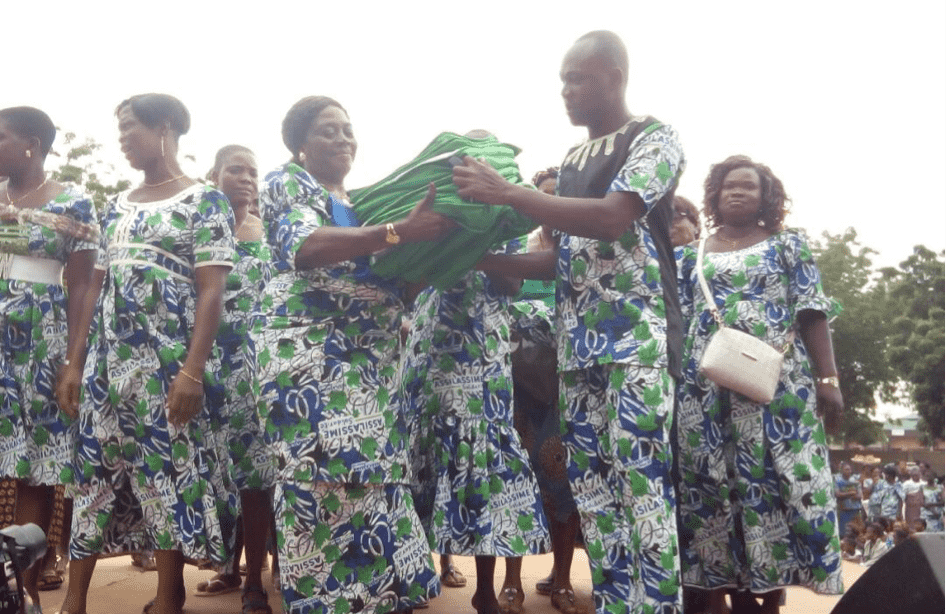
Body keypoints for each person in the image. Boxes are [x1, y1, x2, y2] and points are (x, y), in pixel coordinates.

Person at [453, 30, 686, 613]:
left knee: (642, 486)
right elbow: (562, 259)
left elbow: (613, 219)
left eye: (578, 78)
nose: (566, 91)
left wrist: (509, 194)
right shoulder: (575, 157)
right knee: (597, 494)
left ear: (615, 76)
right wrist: (475, 257)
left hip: (637, 341)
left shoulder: (653, 138)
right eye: (562, 80)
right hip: (577, 350)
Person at [255, 95, 454, 614]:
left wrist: (434, 254)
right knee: (319, 479)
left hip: (370, 363)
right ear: (299, 145)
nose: (344, 138)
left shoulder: (360, 201)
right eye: (328, 131)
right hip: (311, 358)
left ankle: (379, 598)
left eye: (348, 129)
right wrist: (397, 234)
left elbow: (391, 284)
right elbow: (304, 247)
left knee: (371, 476)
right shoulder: (287, 182)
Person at [56, 93, 238, 615]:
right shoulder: (116, 206)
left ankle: (167, 596)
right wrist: (75, 363)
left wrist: (192, 371)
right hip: (107, 371)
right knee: (91, 475)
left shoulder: (205, 202)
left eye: (129, 127)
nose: (121, 139)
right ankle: (73, 600)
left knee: (165, 475)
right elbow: (93, 288)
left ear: (163, 128)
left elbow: (211, 291)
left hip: (165, 370)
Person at [675, 155, 845, 613]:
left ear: (766, 197)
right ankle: (716, 590)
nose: (737, 192)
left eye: (748, 187)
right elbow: (678, 319)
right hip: (704, 392)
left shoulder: (788, 246)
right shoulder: (691, 253)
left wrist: (828, 376)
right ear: (714, 195)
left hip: (775, 388)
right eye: (729, 186)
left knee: (772, 483)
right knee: (711, 486)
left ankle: (765, 595)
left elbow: (811, 310)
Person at [0, 106, 99, 612]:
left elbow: (82, 286)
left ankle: (25, 588)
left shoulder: (75, 203)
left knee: (36, 465)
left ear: (31, 145)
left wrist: (73, 362)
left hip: (41, 341)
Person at [191, 144, 276, 614]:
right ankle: (226, 566)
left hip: (256, 369)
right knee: (215, 472)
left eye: (252, 171)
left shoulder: (269, 234)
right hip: (206, 365)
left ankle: (255, 582)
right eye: (235, 170)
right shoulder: (200, 229)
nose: (246, 178)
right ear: (213, 175)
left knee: (254, 476)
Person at [498, 168, 586, 615]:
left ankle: (564, 579)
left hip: (564, 389)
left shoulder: (584, 252)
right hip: (517, 387)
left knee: (562, 482)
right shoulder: (520, 249)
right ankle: (511, 582)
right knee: (515, 481)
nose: (551, 204)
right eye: (544, 196)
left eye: (559, 196)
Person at [836, 462, 863, 536]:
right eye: (846, 469)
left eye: (850, 469)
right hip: (844, 511)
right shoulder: (838, 481)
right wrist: (851, 493)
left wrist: (844, 495)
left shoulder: (855, 481)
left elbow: (860, 496)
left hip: (855, 510)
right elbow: (837, 495)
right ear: (842, 471)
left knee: (857, 532)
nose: (849, 471)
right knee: (844, 533)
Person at [920, 468, 944, 532]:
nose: (928, 477)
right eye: (926, 476)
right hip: (927, 516)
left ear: (934, 477)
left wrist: (931, 504)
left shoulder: (940, 487)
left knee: (939, 534)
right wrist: (933, 510)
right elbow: (922, 502)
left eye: (929, 476)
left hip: (938, 515)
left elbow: (943, 502)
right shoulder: (922, 487)